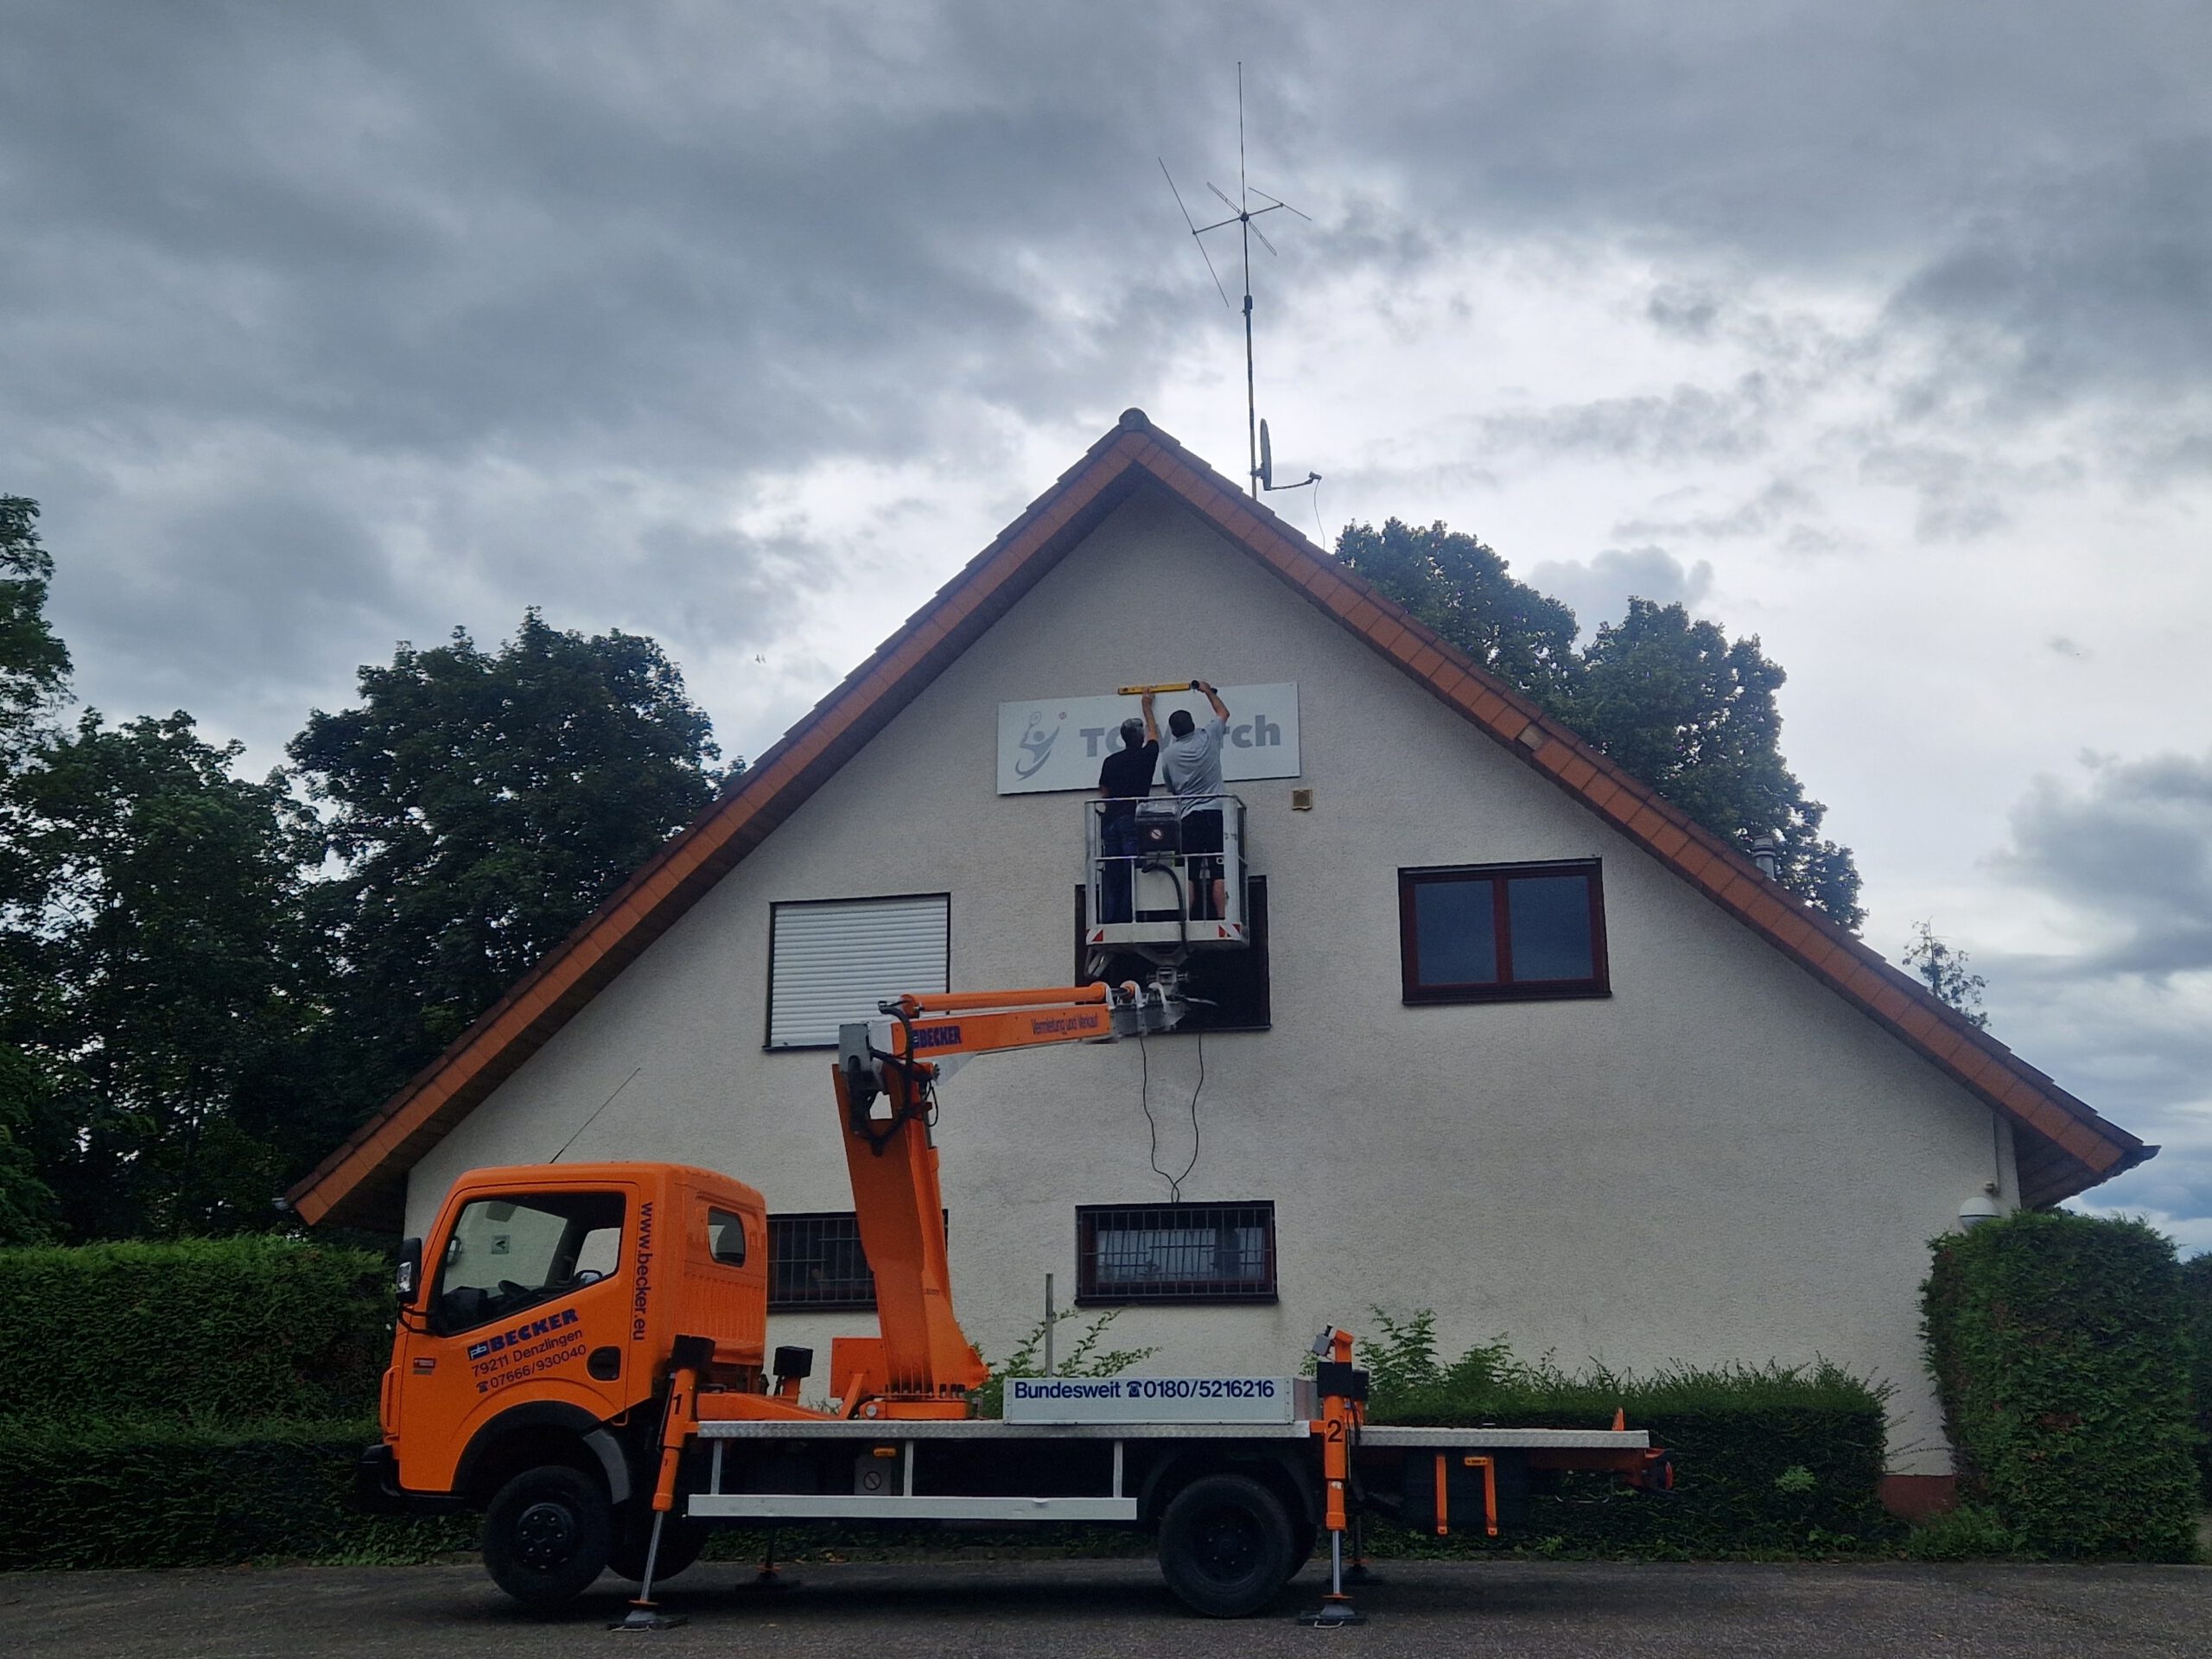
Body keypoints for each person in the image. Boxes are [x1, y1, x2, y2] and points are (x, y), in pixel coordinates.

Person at [1160, 679, 1230, 920]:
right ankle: (1222, 916)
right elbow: (1223, 713)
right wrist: (1207, 691)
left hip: (1188, 816)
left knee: (1189, 871)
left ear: (1173, 733)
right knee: (1219, 870)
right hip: (1214, 813)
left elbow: (1172, 788)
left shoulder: (1169, 754)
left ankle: (1187, 918)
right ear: (1192, 724)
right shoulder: (1208, 736)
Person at [1095, 694, 1159, 924]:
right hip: (1131, 819)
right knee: (1131, 869)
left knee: (1114, 872)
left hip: (1110, 821)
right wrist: (1146, 706)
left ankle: (1110, 919)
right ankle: (1127, 917)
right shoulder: (1147, 755)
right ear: (1140, 738)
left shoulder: (1110, 761)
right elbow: (1154, 734)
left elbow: (1104, 792)